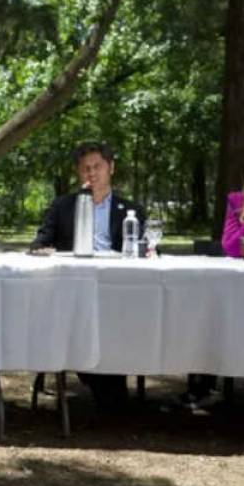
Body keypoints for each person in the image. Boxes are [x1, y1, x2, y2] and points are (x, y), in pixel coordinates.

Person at [30, 141, 145, 410]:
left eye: (97, 167)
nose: (91, 174)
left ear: (111, 168)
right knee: (84, 322)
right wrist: (42, 249)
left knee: (116, 320)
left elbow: (143, 248)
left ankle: (106, 383)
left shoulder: (131, 210)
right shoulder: (63, 206)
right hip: (74, 288)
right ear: (78, 173)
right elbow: (40, 242)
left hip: (117, 288)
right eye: (85, 169)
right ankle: (107, 389)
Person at [184, 142, 244, 406]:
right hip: (241, 290)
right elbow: (230, 246)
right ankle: (202, 385)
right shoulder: (237, 201)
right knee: (211, 311)